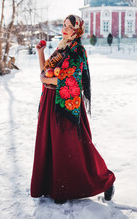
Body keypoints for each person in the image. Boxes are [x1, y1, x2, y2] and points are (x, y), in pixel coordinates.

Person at [30, 14, 115, 204]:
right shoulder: (62, 47)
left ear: (77, 30)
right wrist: (41, 52)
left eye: (69, 26)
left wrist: (46, 80)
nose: (65, 29)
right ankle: (56, 187)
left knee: (76, 146)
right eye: (64, 25)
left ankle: (105, 180)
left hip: (67, 104)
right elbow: (45, 71)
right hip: (51, 101)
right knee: (53, 145)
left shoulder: (77, 50)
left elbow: (71, 80)